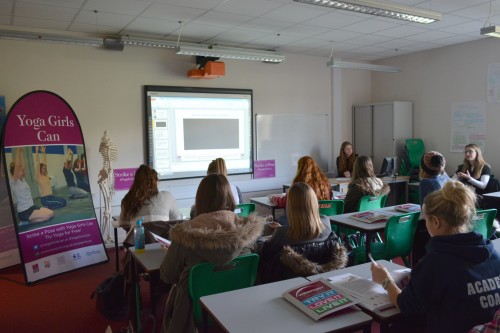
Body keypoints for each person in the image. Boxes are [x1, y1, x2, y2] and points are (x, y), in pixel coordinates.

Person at [371, 181, 500, 333]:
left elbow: (405, 305)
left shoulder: (435, 263)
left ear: (436, 222)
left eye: (426, 220)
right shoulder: (493, 255)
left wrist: (386, 280)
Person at [159, 174, 264, 333]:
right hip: (239, 307)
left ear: (199, 200)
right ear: (229, 197)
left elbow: (167, 276)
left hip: (194, 313)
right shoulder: (248, 232)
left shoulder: (185, 236)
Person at [258, 182, 347, 283]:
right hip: (321, 283)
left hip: (286, 285)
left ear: (290, 207)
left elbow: (264, 253)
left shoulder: (282, 234)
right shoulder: (326, 224)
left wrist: (261, 237)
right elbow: (306, 236)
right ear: (314, 203)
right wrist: (282, 229)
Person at [119, 164, 181, 234]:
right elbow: (177, 219)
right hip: (162, 242)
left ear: (136, 181)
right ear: (155, 182)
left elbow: (123, 223)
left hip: (137, 242)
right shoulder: (167, 197)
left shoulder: (128, 199)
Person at [9, 147, 54, 224]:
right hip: (24, 211)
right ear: (15, 172)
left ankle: (28, 221)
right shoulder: (14, 181)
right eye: (21, 171)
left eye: (23, 170)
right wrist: (17, 151)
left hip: (32, 207)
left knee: (51, 213)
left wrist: (22, 152)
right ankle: (26, 221)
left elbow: (23, 164)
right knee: (46, 217)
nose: (23, 172)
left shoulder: (23, 180)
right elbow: (17, 166)